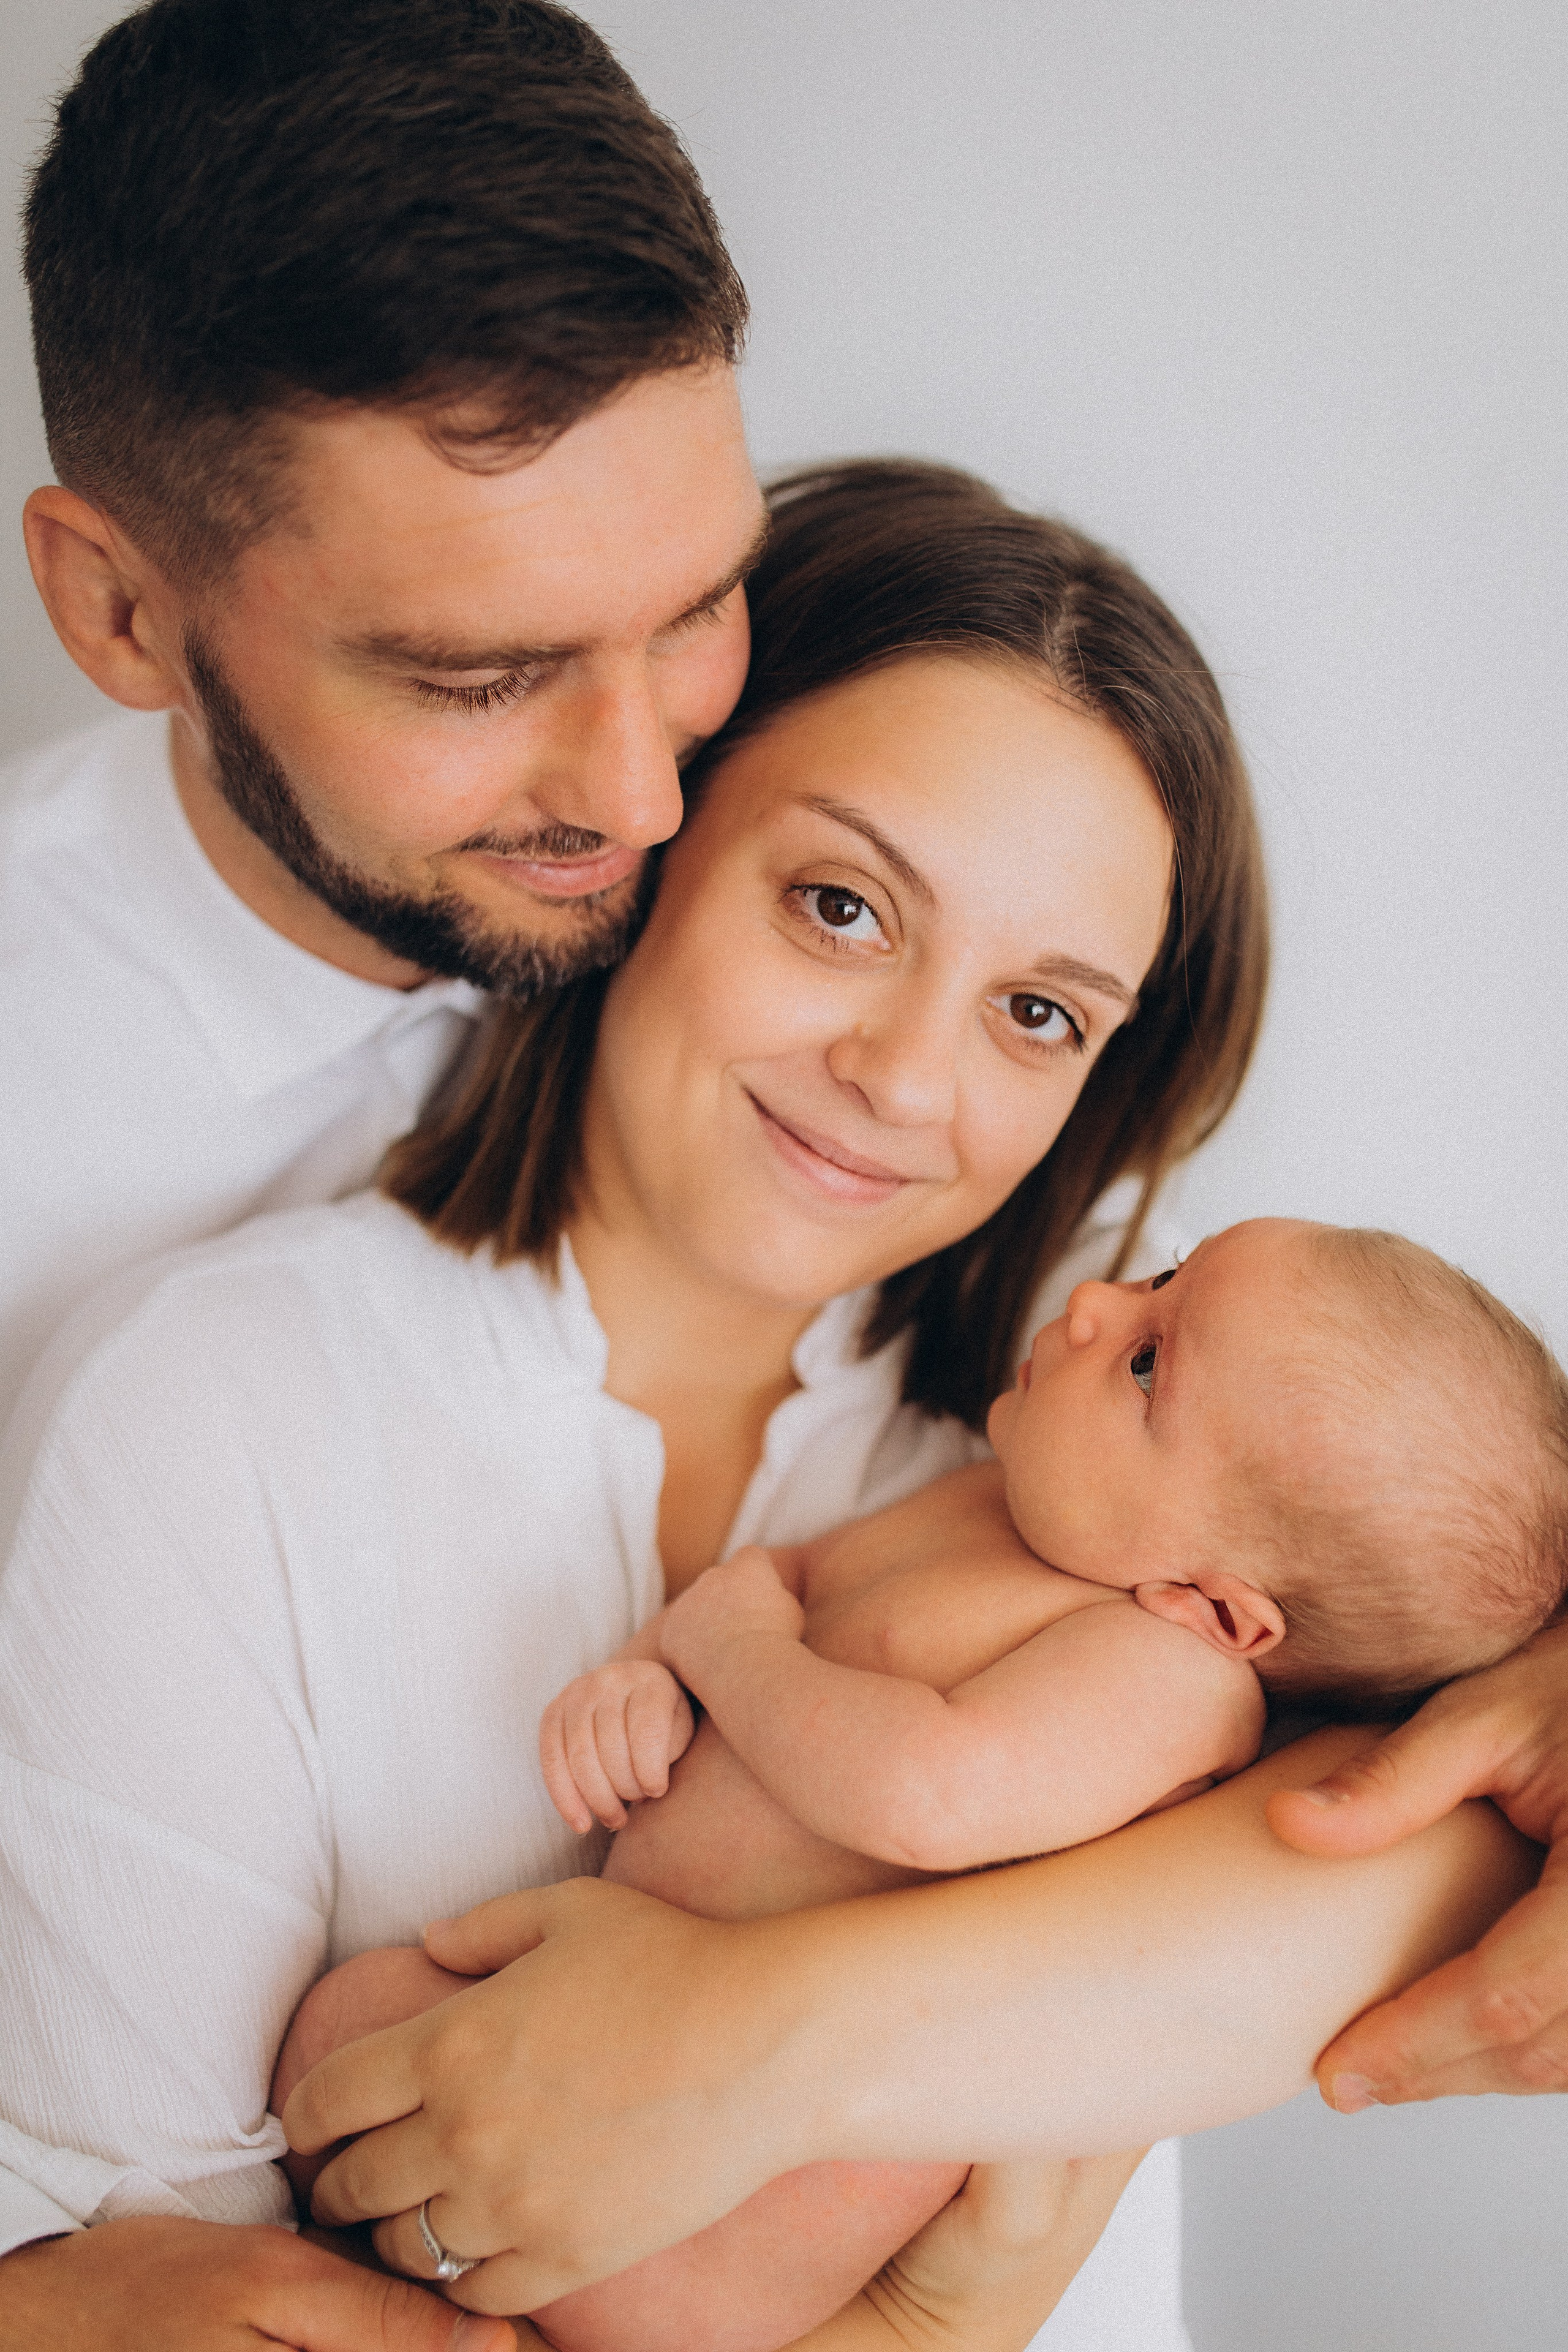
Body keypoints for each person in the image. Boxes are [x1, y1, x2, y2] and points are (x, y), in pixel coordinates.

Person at [0, 462, 1529, 2352]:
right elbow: (140, 2280)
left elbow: (1453, 1829)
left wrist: (760, 2058)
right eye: (841, 906)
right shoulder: (214, 1408)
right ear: (647, 841)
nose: (902, 1079)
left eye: (1039, 1014)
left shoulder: (1142, 1485)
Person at [274, 1215, 1568, 2351]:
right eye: (1163, 1277)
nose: (1093, 1303)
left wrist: (724, 1649)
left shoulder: (1159, 1680)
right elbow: (784, 1582)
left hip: (746, 2206)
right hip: (591, 2014)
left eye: (1142, 1362)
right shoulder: (984, 1507)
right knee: (344, 2033)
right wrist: (653, 1674)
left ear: (1212, 1606)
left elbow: (924, 1793)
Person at [1, 0, 763, 1427]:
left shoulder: (812, 822)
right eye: (477, 680)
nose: (644, 804)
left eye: (697, 610)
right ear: (119, 613)